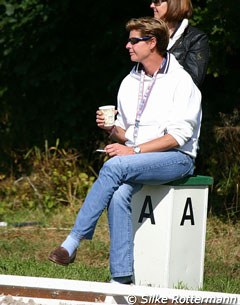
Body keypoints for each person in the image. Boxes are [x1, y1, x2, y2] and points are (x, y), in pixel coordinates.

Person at [48, 16, 202, 285]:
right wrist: (111, 130)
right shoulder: (129, 82)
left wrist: (135, 151)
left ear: (152, 43)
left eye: (134, 40)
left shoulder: (182, 81)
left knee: (114, 166)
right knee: (119, 194)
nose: (127, 45)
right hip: (139, 158)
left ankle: (73, 241)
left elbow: (178, 137)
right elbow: (127, 133)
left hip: (177, 159)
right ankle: (121, 279)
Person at [150, 0, 209, 87]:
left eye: (157, 2)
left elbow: (193, 81)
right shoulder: (149, 35)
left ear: (173, 3)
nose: (151, 5)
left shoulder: (196, 38)